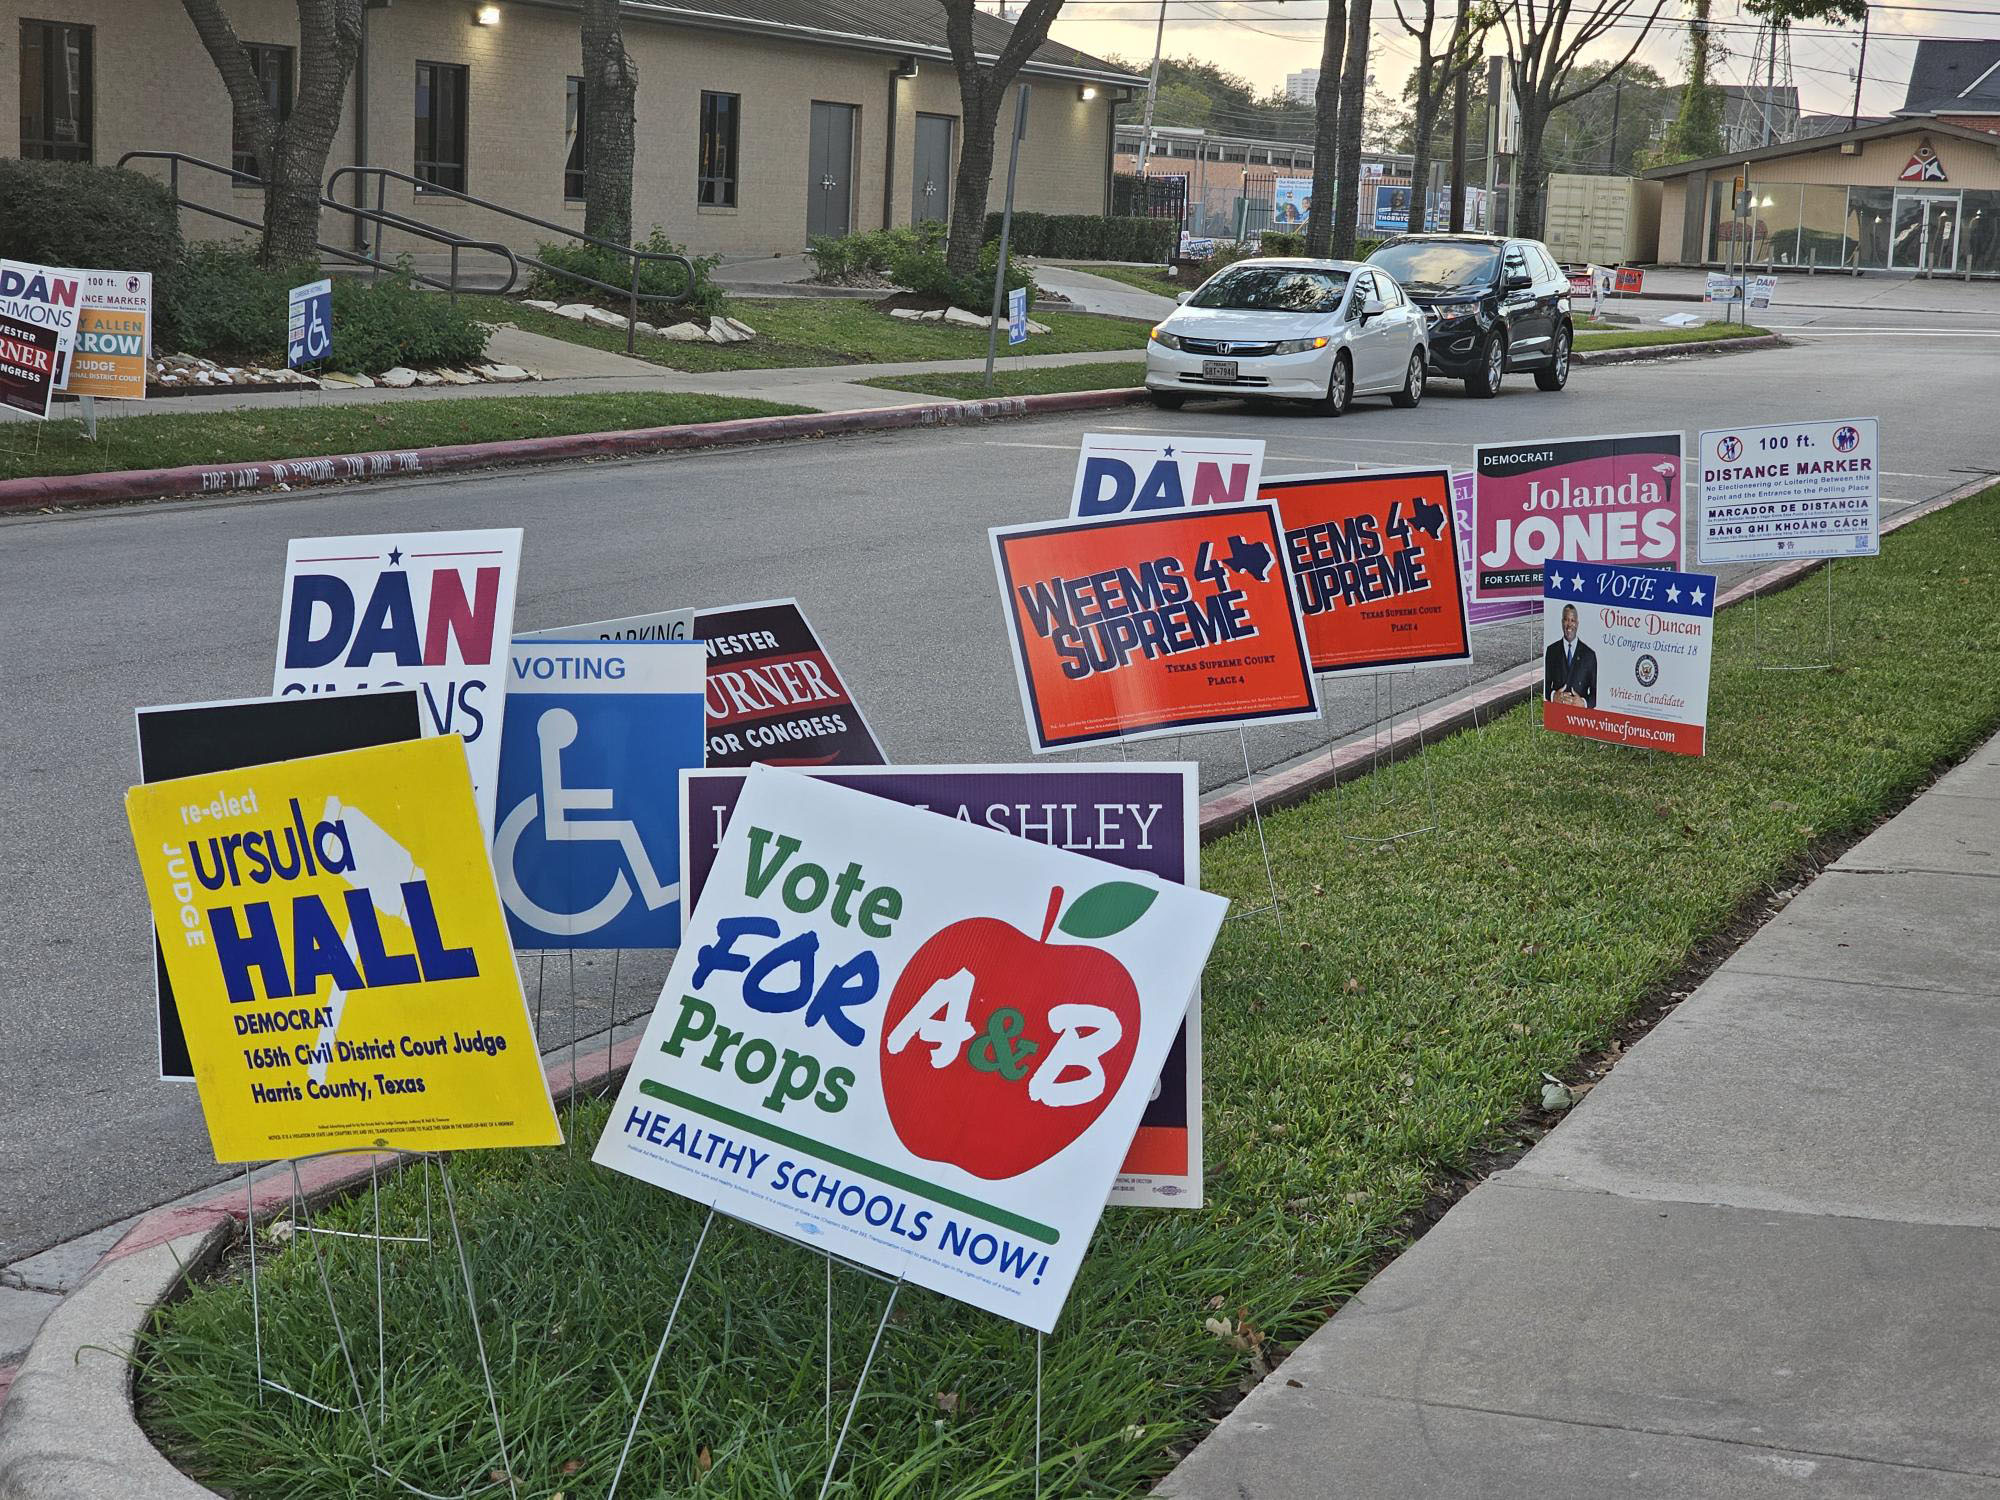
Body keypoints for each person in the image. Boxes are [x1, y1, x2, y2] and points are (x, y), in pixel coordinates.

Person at [1545, 604, 1596, 708]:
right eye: (1566, 620)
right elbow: (1545, 684)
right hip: (1556, 711)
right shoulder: (1551, 651)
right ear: (1561, 622)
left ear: (1577, 623)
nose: (1569, 624)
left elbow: (1596, 693)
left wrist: (1583, 703)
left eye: (1572, 620)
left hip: (1579, 719)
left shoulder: (1589, 654)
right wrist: (1553, 696)